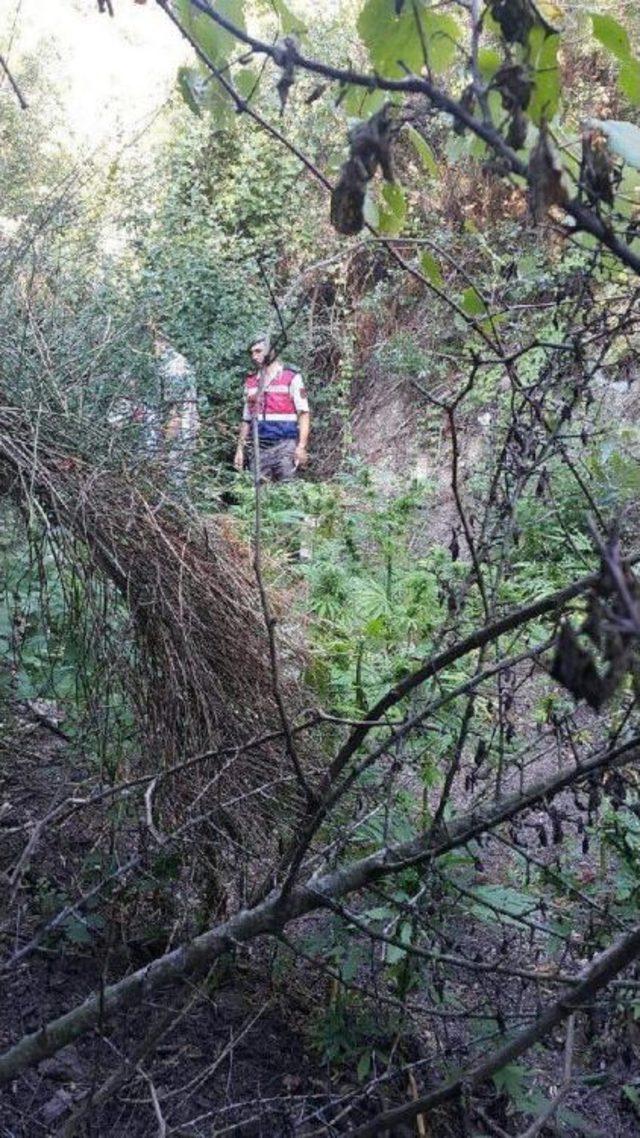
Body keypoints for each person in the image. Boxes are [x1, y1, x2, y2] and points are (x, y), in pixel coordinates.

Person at [234, 333, 310, 482]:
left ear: (270, 351)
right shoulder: (251, 382)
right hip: (259, 446)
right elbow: (246, 420)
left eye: (258, 351)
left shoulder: (291, 376)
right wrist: (240, 449)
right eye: (252, 353)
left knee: (288, 490)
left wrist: (301, 446)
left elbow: (304, 414)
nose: (254, 356)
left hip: (285, 444)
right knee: (259, 492)